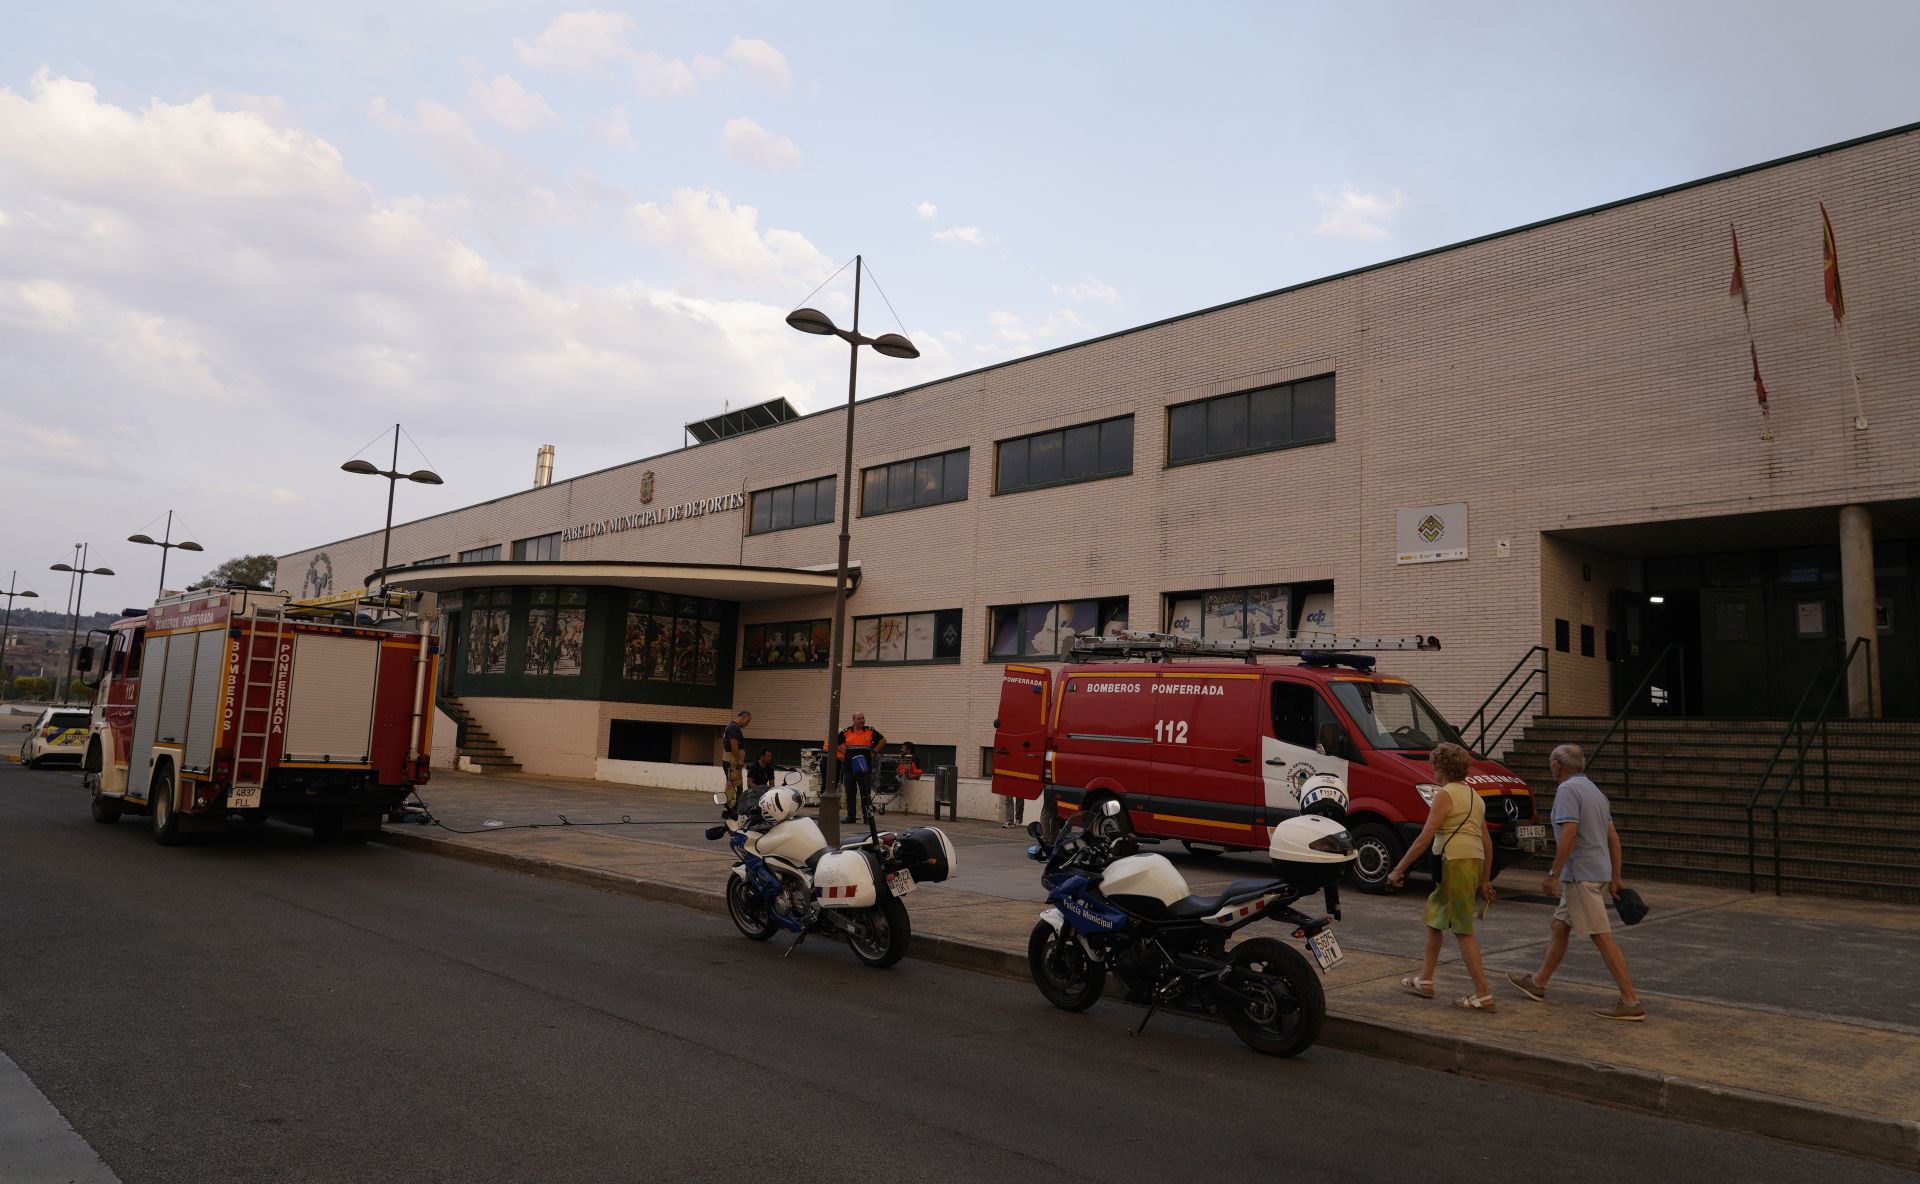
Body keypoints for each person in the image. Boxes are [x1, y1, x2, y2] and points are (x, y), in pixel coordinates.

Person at [1507, 744, 1645, 1020]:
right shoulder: (1595, 792)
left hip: (1580, 875)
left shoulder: (1567, 790)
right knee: (1560, 925)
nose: (1550, 767)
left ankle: (1630, 1000)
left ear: (1558, 765)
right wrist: (1616, 876)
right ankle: (1538, 983)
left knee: (1601, 935)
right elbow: (1613, 837)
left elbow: (1569, 833)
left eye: (1551, 762)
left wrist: (1553, 873)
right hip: (1596, 871)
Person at [1387, 742, 1498, 1011]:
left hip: (1454, 862)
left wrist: (1398, 869)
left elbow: (1424, 838)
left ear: (1440, 768)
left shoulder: (1445, 794)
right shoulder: (1476, 797)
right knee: (1436, 920)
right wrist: (1485, 880)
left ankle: (1483, 994)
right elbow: (1487, 842)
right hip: (1472, 862)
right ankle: (1425, 980)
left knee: (1462, 929)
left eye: (1433, 766)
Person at [835, 712, 885, 824]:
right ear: (853, 720)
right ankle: (851, 816)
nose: (862, 720)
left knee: (865, 794)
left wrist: (874, 751)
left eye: (863, 718)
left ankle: (868, 816)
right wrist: (845, 752)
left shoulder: (870, 731)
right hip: (849, 768)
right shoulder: (846, 732)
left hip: (864, 768)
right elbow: (835, 743)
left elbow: (883, 740)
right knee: (850, 793)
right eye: (859, 718)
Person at [720, 709, 750, 812]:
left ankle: (729, 807)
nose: (747, 724)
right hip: (732, 762)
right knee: (734, 785)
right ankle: (730, 808)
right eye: (747, 721)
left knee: (732, 783)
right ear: (743, 717)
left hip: (731, 761)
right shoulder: (734, 728)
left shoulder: (732, 727)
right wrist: (739, 760)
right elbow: (734, 746)